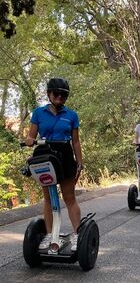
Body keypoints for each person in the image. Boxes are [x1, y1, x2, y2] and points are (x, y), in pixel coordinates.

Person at [25, 78, 83, 251]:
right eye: (56, 94)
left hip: (65, 156)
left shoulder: (72, 115)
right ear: (49, 94)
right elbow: (31, 136)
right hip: (45, 155)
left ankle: (77, 234)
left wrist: (80, 162)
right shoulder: (38, 113)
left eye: (63, 95)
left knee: (69, 197)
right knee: (49, 199)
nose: (60, 97)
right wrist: (29, 140)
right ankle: (50, 234)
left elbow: (76, 142)